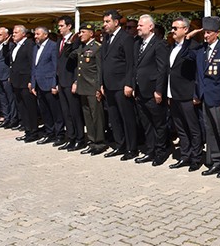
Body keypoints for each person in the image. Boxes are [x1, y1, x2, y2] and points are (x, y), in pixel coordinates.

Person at [196, 16, 220, 179]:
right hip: (206, 97)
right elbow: (199, 75)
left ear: (217, 33)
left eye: (209, 33)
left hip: (219, 98)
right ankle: (215, 161)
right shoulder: (202, 50)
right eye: (205, 32)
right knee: (210, 131)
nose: (205, 35)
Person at [100, 10, 139, 161]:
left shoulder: (126, 38)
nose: (104, 25)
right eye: (104, 22)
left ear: (116, 22)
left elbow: (130, 63)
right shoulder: (107, 38)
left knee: (127, 117)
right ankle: (120, 144)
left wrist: (129, 84)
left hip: (122, 84)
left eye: (107, 22)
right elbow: (104, 62)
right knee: (114, 118)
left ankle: (132, 147)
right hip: (109, 85)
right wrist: (102, 83)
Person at [167, 18, 203, 172]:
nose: (173, 30)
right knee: (181, 128)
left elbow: (192, 63)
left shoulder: (194, 47)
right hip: (174, 94)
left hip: (187, 94)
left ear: (186, 30)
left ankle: (196, 158)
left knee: (193, 128)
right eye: (172, 28)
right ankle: (185, 155)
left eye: (176, 28)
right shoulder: (173, 47)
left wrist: (188, 40)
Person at [132, 15, 170, 166]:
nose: (138, 27)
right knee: (146, 123)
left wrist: (159, 90)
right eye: (138, 25)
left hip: (153, 91)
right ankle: (150, 150)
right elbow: (136, 67)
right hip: (141, 90)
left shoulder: (159, 44)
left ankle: (160, 153)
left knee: (158, 124)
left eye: (141, 25)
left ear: (150, 27)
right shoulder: (138, 44)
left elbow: (162, 69)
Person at [72, 23, 106, 156]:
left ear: (91, 33)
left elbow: (99, 70)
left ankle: (99, 142)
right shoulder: (82, 47)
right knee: (87, 115)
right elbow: (69, 55)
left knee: (96, 116)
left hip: (93, 87)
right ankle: (91, 141)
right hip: (83, 87)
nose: (80, 34)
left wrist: (98, 88)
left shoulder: (97, 48)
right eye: (79, 32)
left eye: (83, 32)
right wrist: (72, 41)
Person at [56, 16, 85, 151]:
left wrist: (75, 81)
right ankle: (71, 137)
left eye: (62, 26)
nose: (59, 28)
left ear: (69, 26)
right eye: (59, 26)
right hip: (61, 81)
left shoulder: (75, 40)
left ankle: (80, 138)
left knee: (75, 112)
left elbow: (76, 63)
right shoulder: (59, 41)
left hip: (70, 80)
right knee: (66, 112)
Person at [31, 27, 64, 145]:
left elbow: (56, 67)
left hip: (50, 84)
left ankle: (59, 134)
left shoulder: (53, 46)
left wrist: (55, 84)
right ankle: (49, 133)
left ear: (45, 35)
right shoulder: (36, 48)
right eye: (35, 34)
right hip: (39, 84)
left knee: (55, 111)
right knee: (44, 111)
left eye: (37, 34)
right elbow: (34, 67)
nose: (35, 36)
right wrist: (33, 84)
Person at [11, 25, 39, 143]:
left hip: (25, 81)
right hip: (16, 81)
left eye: (16, 32)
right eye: (13, 32)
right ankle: (27, 130)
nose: (14, 34)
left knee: (30, 108)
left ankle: (33, 132)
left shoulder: (29, 44)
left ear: (23, 34)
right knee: (22, 108)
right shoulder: (15, 46)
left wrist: (30, 81)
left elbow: (32, 64)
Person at [0, 27, 17, 129]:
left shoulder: (10, 46)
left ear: (7, 35)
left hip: (7, 76)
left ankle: (13, 119)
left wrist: (10, 76)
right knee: (3, 99)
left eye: (0, 35)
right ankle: (6, 118)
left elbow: (10, 60)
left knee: (10, 98)